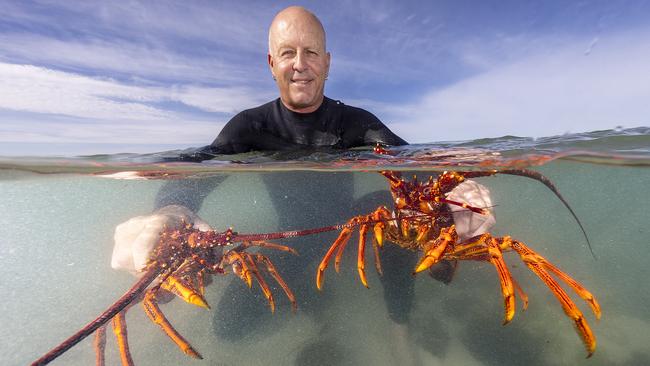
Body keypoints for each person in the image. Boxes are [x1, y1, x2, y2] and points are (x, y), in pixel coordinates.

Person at [112, 6, 495, 365]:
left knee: (394, 210)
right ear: (270, 63)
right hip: (294, 240)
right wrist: (169, 211)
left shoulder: (357, 122)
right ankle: (317, 300)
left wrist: (457, 192)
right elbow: (195, 176)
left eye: (311, 52)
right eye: (287, 53)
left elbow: (412, 165)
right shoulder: (249, 127)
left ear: (327, 63)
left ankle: (400, 326)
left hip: (352, 227)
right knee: (228, 329)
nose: (300, 65)